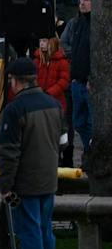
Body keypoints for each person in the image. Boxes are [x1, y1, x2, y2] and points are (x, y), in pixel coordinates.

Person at [0, 56, 63, 249]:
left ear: (15, 81)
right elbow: (61, 140)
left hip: (27, 180)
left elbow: (9, 152)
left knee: (30, 231)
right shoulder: (53, 104)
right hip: (48, 176)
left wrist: (5, 186)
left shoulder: (15, 109)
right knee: (45, 230)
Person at [61, 0, 92, 156]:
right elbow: (64, 44)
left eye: (86, 0)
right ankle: (90, 150)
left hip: (89, 84)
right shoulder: (75, 23)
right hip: (76, 82)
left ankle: (91, 153)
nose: (81, 2)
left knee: (92, 122)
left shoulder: (98, 25)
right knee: (78, 123)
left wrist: (92, 78)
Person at [34, 33, 73, 164]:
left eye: (44, 40)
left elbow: (64, 81)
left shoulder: (62, 61)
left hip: (56, 103)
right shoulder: (37, 60)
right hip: (40, 101)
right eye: (40, 41)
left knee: (58, 132)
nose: (41, 44)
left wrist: (49, 93)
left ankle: (59, 159)